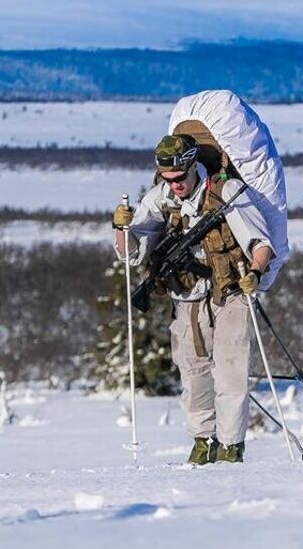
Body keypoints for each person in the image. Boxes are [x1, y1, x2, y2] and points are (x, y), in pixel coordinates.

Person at [112, 133, 275, 464]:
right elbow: (132, 256)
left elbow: (261, 243)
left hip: (229, 291)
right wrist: (121, 229)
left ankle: (231, 447)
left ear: (192, 167)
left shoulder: (225, 193)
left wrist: (255, 273)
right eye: (168, 180)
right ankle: (203, 441)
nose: (175, 186)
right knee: (192, 371)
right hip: (186, 295)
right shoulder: (161, 199)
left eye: (180, 178)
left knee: (231, 370)